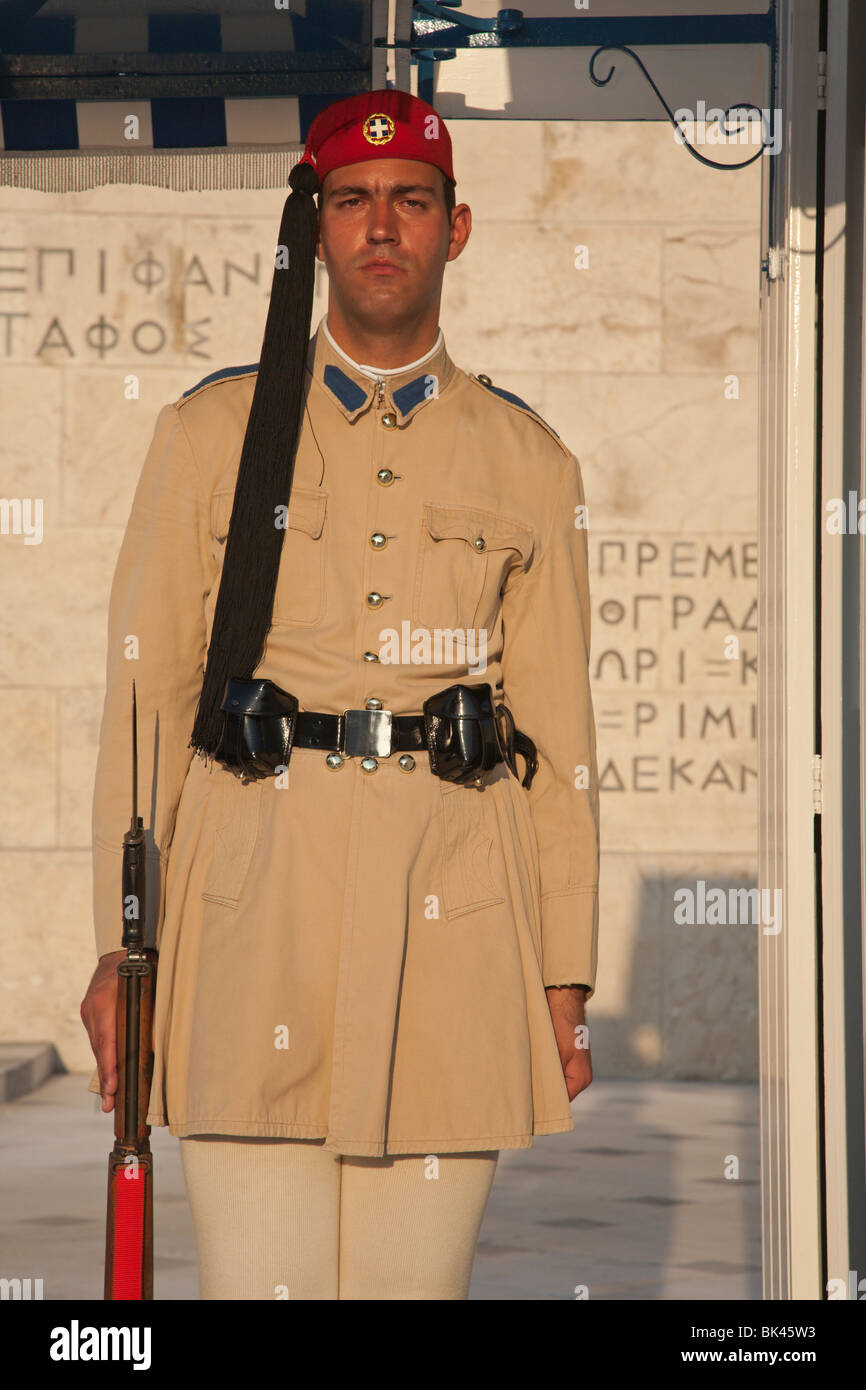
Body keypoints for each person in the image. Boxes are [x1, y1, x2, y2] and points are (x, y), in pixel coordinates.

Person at [80, 87, 600, 1301]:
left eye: (409, 201)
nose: (380, 226)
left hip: (450, 929)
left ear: (453, 229)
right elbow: (147, 701)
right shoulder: (213, 432)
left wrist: (564, 977)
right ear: (315, 229)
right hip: (250, 919)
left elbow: (558, 736)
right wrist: (121, 946)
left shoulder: (530, 461)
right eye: (351, 200)